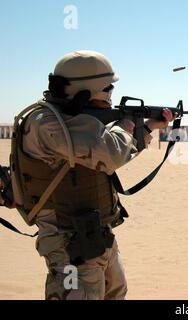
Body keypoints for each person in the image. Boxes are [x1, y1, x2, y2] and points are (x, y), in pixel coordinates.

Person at [16, 50, 176, 300]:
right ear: (87, 90)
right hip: (69, 245)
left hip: (96, 235)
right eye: (108, 91)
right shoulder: (47, 122)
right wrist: (126, 124)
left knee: (116, 292)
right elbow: (111, 152)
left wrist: (147, 127)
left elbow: (104, 155)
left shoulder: (74, 121)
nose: (111, 99)